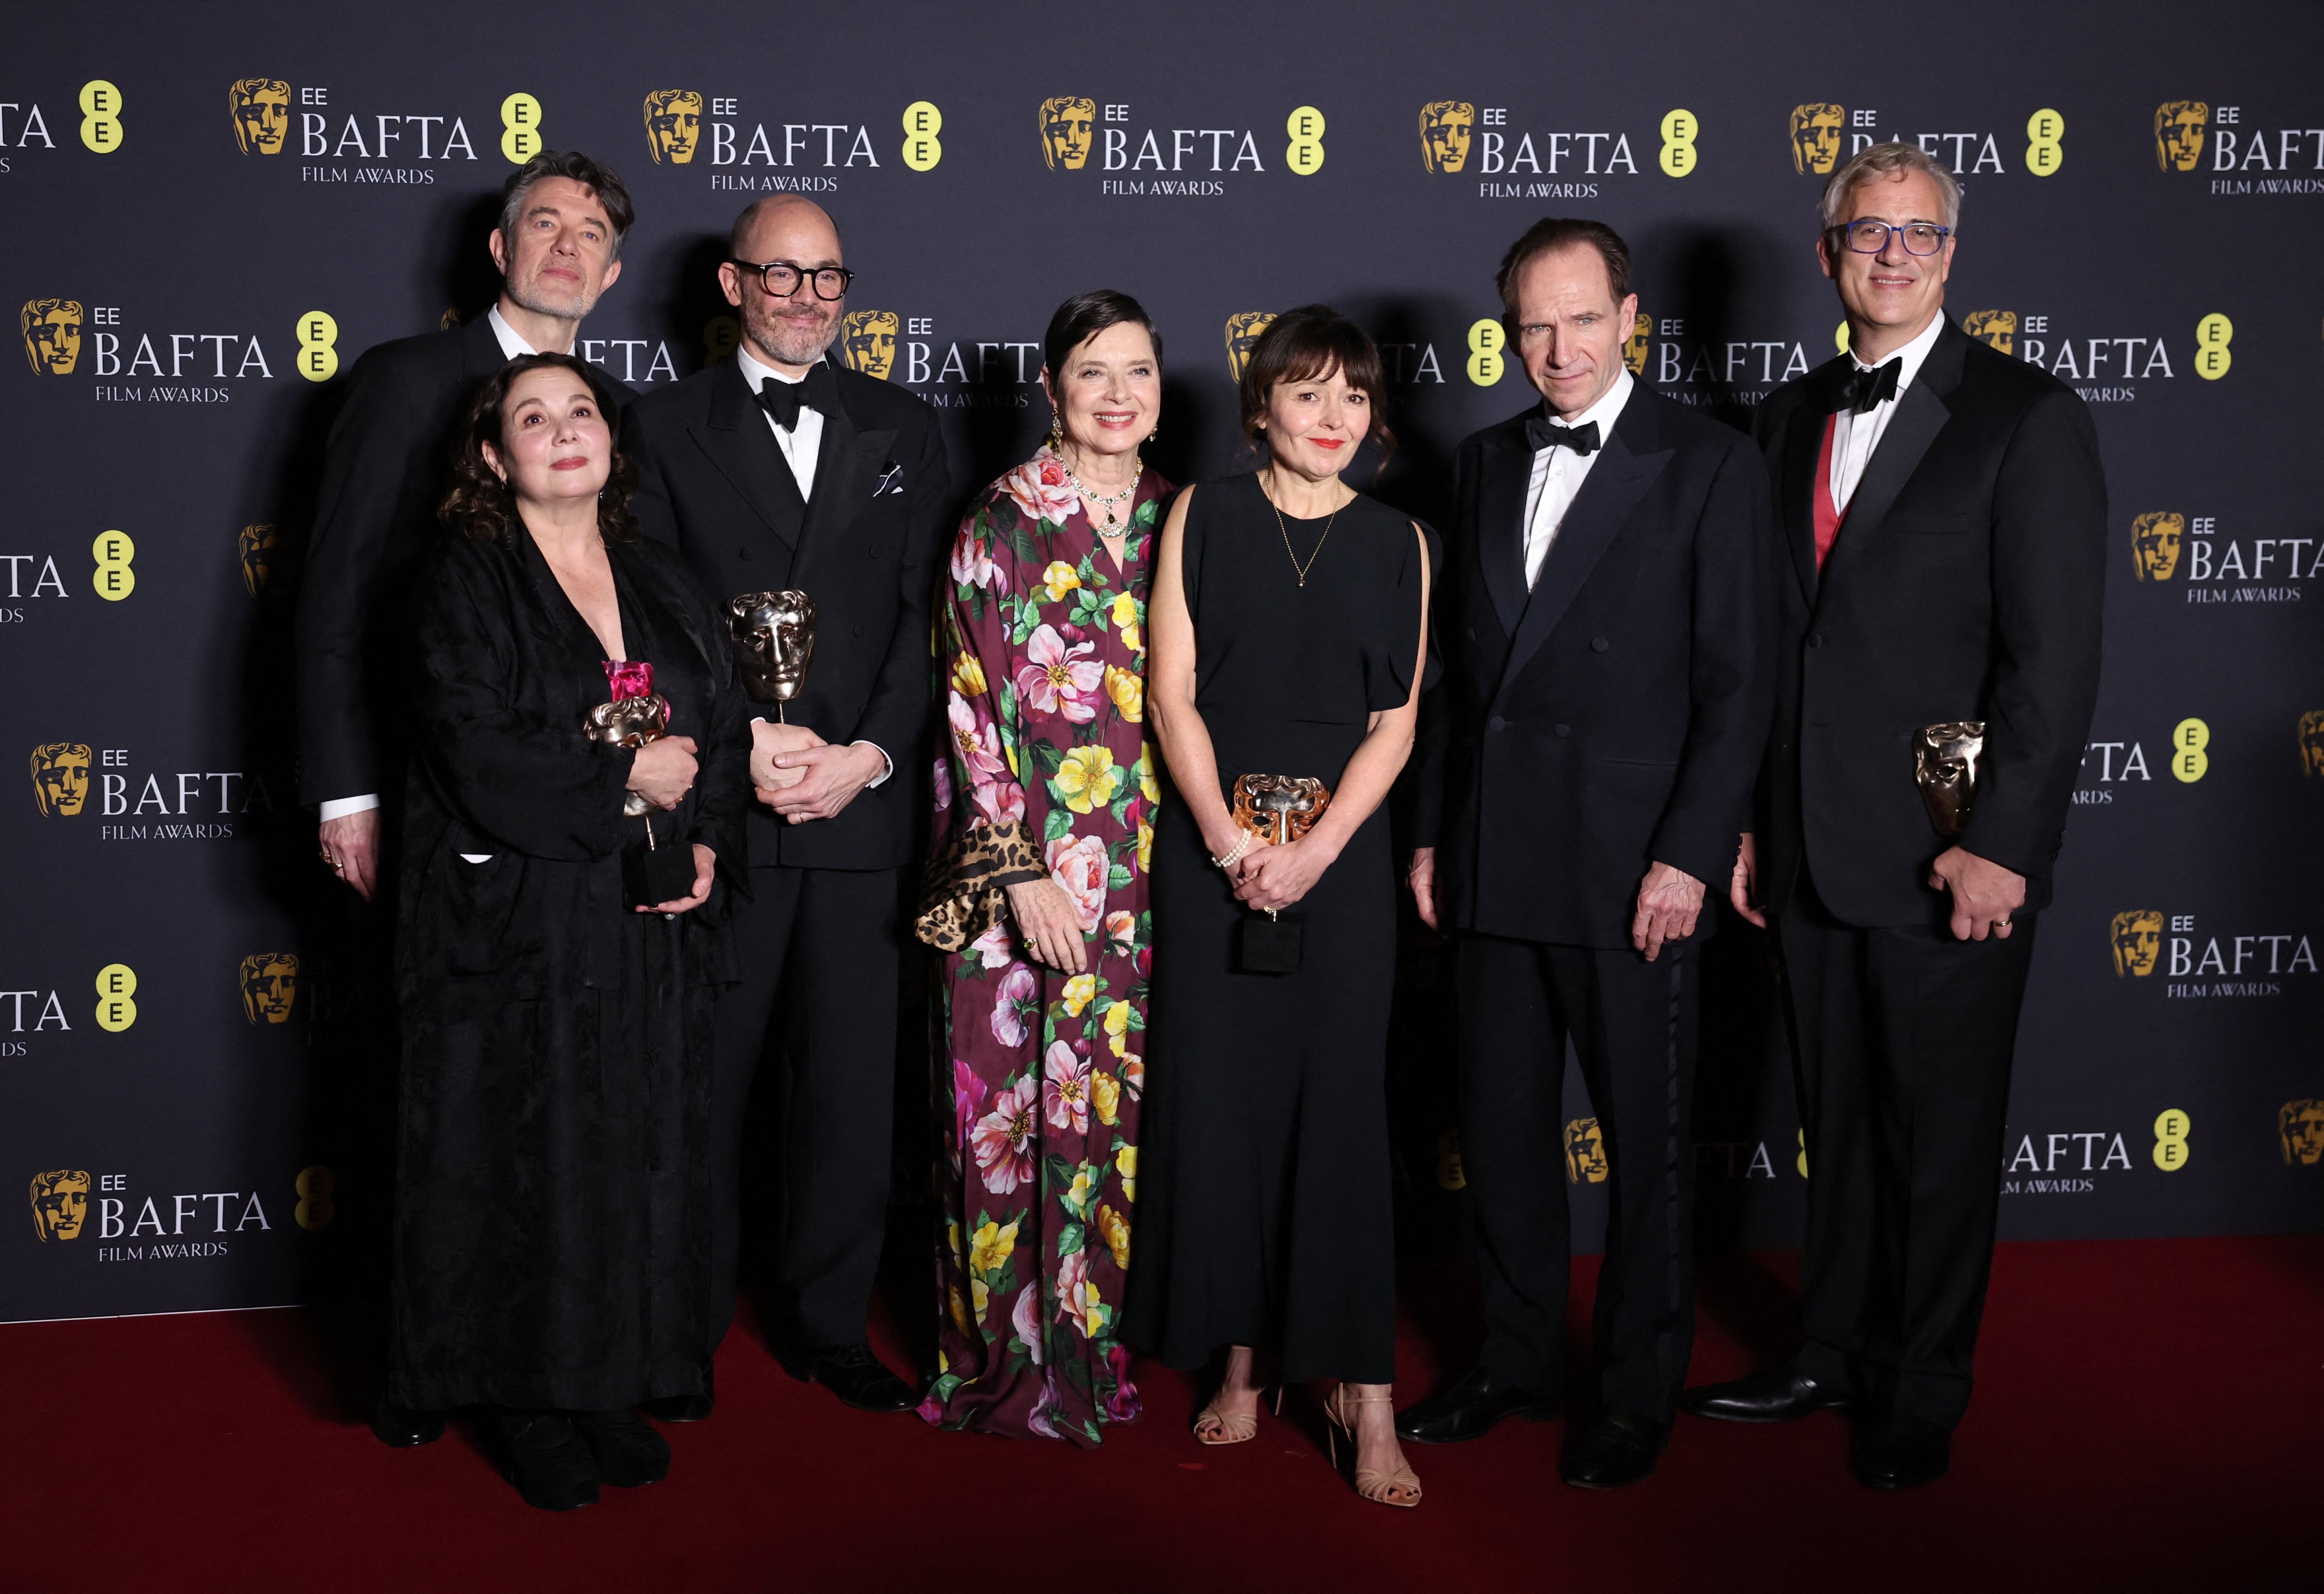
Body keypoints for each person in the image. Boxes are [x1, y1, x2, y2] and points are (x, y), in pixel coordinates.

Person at [1682, 143, 2106, 1490]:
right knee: (1836, 1124)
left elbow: (2052, 661)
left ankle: (1920, 1382)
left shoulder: (2022, 416)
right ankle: (1826, 1349)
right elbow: (1761, 644)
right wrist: (1749, 821)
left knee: (1937, 1132)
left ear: (1950, 256)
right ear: (1826, 255)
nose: (1891, 254)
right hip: (1807, 841)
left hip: (1947, 852)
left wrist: (2002, 846)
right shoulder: (1783, 415)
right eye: (1866, 233)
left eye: (1918, 234)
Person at [1401, 218, 1777, 1488]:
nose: (1554, 348)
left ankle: (1632, 1394)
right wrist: (1429, 834)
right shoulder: (1482, 457)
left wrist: (1684, 853)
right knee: (1501, 1133)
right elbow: (1454, 675)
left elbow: (1738, 684)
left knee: (1646, 1152)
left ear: (1630, 320)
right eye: (1529, 325)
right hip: (1495, 849)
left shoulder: (1710, 464)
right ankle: (1511, 1360)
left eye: (1578, 318)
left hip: (1633, 868)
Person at [293, 147, 634, 1452]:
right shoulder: (402, 381)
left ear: (609, 271)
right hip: (428, 810)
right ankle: (419, 1374)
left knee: (537, 1100)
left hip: (562, 823)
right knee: (430, 1100)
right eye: (539, 222)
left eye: (589, 229)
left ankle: (534, 1358)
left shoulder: (606, 408)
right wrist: (346, 793)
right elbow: (329, 606)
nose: (563, 244)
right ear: (497, 251)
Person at [389, 353, 751, 1511]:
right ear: (493, 457)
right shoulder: (466, 574)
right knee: (527, 1150)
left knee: (633, 1143)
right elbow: (470, 741)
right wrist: (621, 775)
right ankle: (527, 1395)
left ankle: (613, 1373)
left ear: (611, 441)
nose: (562, 431)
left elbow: (723, 727)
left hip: (645, 922)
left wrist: (704, 841)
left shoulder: (663, 577)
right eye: (531, 417)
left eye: (581, 411)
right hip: (519, 920)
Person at [624, 196, 952, 1418]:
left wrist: (867, 754)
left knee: (850, 1095)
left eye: (828, 276)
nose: (808, 296)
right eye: (781, 273)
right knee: (703, 1088)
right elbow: (645, 613)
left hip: (860, 821)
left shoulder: (904, 425)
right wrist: (739, 744)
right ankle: (683, 1331)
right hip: (726, 814)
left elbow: (935, 623)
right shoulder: (658, 427)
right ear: (731, 284)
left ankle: (825, 1325)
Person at [1129, 306, 1432, 1509]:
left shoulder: (1400, 541)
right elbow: (1170, 692)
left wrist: (1311, 853)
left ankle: (1365, 1390)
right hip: (1212, 857)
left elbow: (1394, 722)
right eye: (1307, 395)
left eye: (1352, 399)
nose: (1332, 420)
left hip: (1339, 870)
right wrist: (1223, 837)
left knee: (1338, 1118)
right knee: (1229, 1113)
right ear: (1260, 406)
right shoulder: (1201, 512)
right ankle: (1244, 1358)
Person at [915, 290, 1172, 1444]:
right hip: (1013, 880)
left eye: (1138, 372)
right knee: (1001, 1123)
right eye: (1092, 373)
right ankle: (1000, 1361)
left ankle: (1093, 1348)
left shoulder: (1189, 519)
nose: (1117, 396)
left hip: (1148, 873)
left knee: (1110, 1121)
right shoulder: (998, 524)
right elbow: (968, 713)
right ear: (1052, 390)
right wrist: (1018, 872)